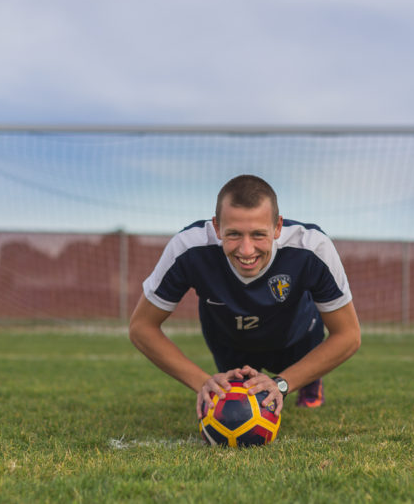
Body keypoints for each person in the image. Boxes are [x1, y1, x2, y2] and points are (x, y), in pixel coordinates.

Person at [129, 175, 361, 418]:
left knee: (299, 361)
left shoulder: (312, 247)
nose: (246, 250)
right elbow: (141, 327)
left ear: (278, 227)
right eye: (234, 234)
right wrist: (202, 382)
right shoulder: (188, 248)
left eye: (258, 234)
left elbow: (348, 335)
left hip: (295, 338)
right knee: (235, 407)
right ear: (217, 227)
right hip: (230, 341)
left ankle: (307, 382)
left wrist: (283, 383)